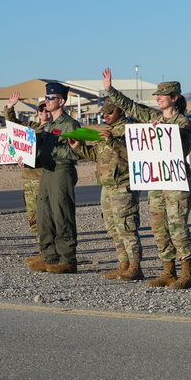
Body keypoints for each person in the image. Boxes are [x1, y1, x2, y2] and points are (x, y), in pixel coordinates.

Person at [102, 68, 191, 289]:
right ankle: (168, 272)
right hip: (156, 182)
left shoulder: (183, 123)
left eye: (162, 95)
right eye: (157, 96)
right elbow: (130, 107)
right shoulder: (153, 117)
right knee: (159, 227)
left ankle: (187, 274)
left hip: (175, 183)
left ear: (174, 98)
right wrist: (110, 90)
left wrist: (163, 131)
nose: (158, 98)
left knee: (177, 227)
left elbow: (183, 148)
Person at [71, 102, 143, 281]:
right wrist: (78, 148)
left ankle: (135, 266)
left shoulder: (131, 131)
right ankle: (123, 264)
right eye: (104, 114)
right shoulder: (104, 131)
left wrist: (112, 141)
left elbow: (135, 156)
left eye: (110, 113)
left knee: (126, 226)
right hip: (107, 186)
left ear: (121, 110)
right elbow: (97, 156)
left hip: (123, 185)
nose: (106, 116)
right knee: (113, 227)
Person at [26, 83, 81, 274]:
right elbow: (42, 153)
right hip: (47, 171)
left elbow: (75, 152)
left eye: (50, 98)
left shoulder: (70, 124)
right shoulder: (48, 125)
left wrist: (53, 150)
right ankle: (50, 256)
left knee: (61, 214)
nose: (47, 101)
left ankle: (68, 259)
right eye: (46, 98)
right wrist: (28, 160)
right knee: (44, 214)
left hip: (61, 171)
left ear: (61, 101)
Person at [3, 94, 49, 238]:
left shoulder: (53, 130)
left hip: (41, 177)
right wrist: (10, 107)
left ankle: (47, 249)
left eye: (47, 110)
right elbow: (14, 126)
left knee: (44, 215)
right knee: (32, 216)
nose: (44, 112)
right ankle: (41, 246)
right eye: (41, 110)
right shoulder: (31, 127)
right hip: (28, 177)